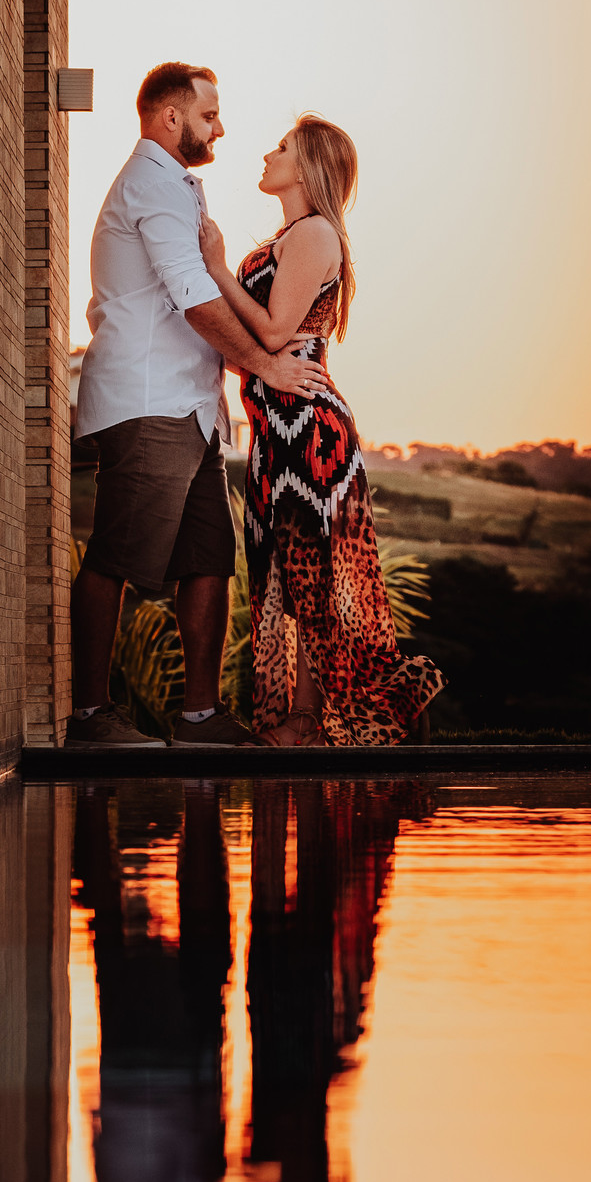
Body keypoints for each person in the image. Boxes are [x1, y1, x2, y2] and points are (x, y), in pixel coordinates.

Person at [66, 64, 328, 750]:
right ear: (170, 118)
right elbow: (192, 294)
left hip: (193, 411)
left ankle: (201, 719)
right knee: (116, 555)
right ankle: (90, 718)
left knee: (207, 560)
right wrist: (267, 363)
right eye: (210, 115)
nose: (222, 128)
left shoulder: (177, 188)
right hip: (148, 404)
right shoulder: (152, 185)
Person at [198, 114, 445, 745]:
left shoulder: (314, 235)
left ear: (307, 166)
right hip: (275, 427)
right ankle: (293, 719)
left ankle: (309, 720)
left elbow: (276, 333)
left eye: (281, 148)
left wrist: (219, 269)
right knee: (283, 567)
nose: (267, 153)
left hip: (307, 426)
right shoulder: (292, 234)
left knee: (309, 572)